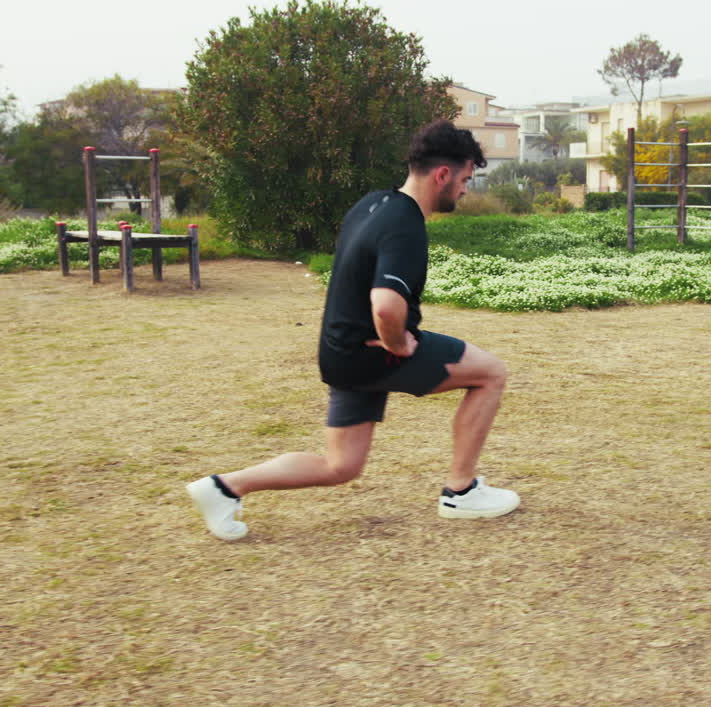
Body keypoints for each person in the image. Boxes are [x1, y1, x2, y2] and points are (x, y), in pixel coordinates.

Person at [187, 120, 519, 541]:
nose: (465, 189)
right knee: (490, 373)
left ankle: (223, 488)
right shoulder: (406, 224)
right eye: (465, 179)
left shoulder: (372, 204)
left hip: (340, 351)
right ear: (442, 175)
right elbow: (385, 304)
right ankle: (462, 491)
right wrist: (399, 343)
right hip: (373, 351)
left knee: (340, 466)